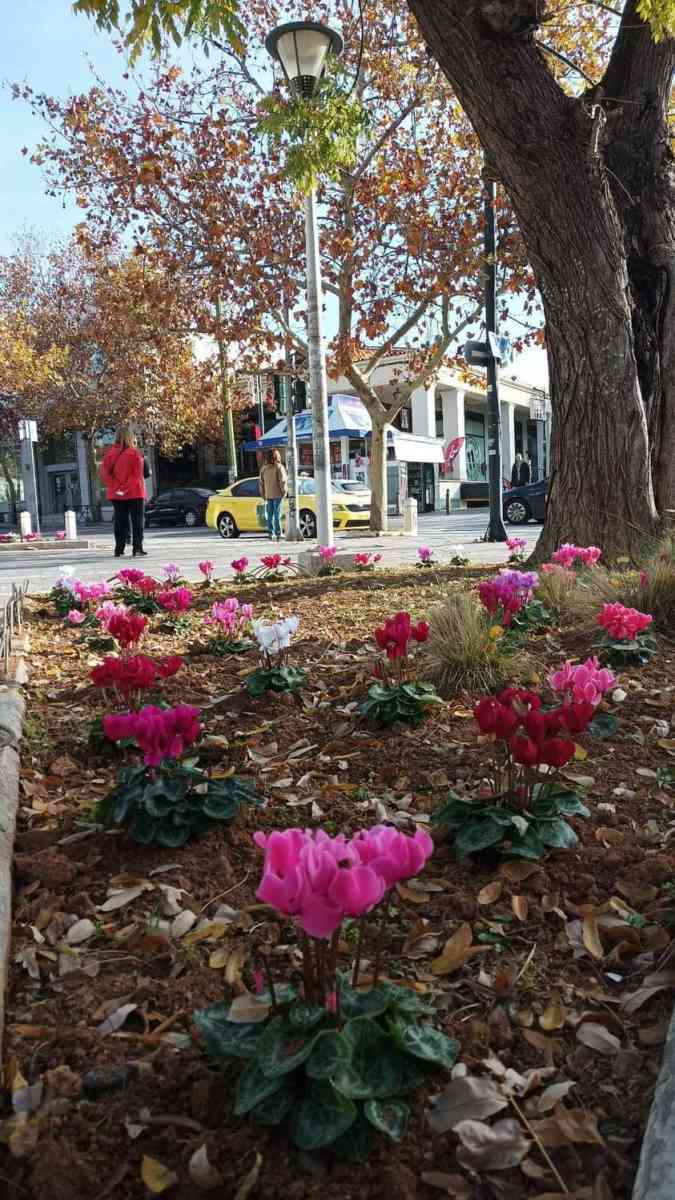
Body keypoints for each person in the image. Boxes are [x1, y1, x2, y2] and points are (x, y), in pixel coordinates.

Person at [100, 426, 147, 558]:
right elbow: (137, 475)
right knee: (137, 521)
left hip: (116, 494)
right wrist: (125, 488)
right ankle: (137, 547)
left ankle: (119, 548)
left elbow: (104, 474)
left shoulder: (109, 454)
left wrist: (117, 487)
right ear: (130, 437)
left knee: (120, 521)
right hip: (135, 492)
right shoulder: (135, 453)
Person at [259, 449, 287, 540]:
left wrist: (263, 494)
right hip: (278, 494)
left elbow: (261, 483)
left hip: (268, 495)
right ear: (277, 456)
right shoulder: (279, 467)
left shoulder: (264, 468)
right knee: (277, 514)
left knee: (270, 515)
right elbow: (282, 481)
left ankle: (270, 533)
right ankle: (279, 533)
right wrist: (284, 492)